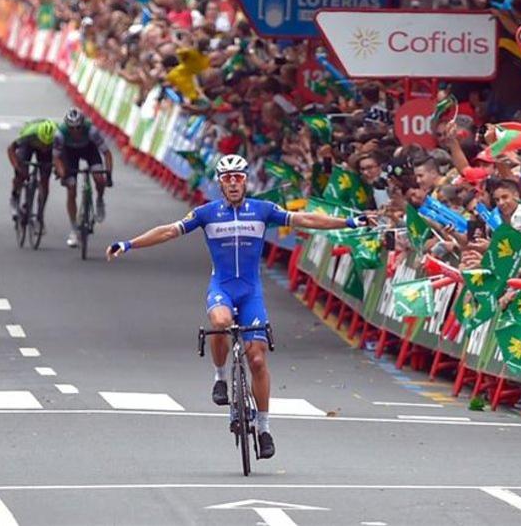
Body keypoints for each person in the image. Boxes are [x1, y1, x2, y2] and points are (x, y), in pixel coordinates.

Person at [106, 154, 370, 459]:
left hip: (250, 291)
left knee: (257, 360)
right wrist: (128, 244)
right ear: (220, 183)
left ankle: (264, 427)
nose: (233, 183)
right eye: (227, 178)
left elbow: (305, 219)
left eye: (238, 177)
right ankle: (220, 377)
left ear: (246, 180)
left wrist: (348, 222)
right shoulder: (206, 213)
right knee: (220, 321)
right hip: (222, 288)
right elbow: (168, 230)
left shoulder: (262, 210)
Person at [53, 108, 113, 247]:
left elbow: (107, 153)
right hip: (70, 154)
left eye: (78, 127)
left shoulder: (92, 131)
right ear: (67, 127)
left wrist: (108, 174)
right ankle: (74, 230)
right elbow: (56, 158)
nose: (75, 131)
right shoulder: (60, 134)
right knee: (71, 189)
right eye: (71, 128)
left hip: (89, 150)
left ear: (83, 125)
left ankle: (99, 200)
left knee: (99, 178)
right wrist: (62, 173)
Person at [8, 118, 57, 227]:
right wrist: (17, 166)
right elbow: (11, 149)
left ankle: (40, 214)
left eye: (47, 144)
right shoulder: (29, 135)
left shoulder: (57, 136)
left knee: (45, 180)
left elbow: (62, 154)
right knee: (21, 172)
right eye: (42, 143)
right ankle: (14, 196)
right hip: (29, 146)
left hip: (47, 153)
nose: (44, 147)